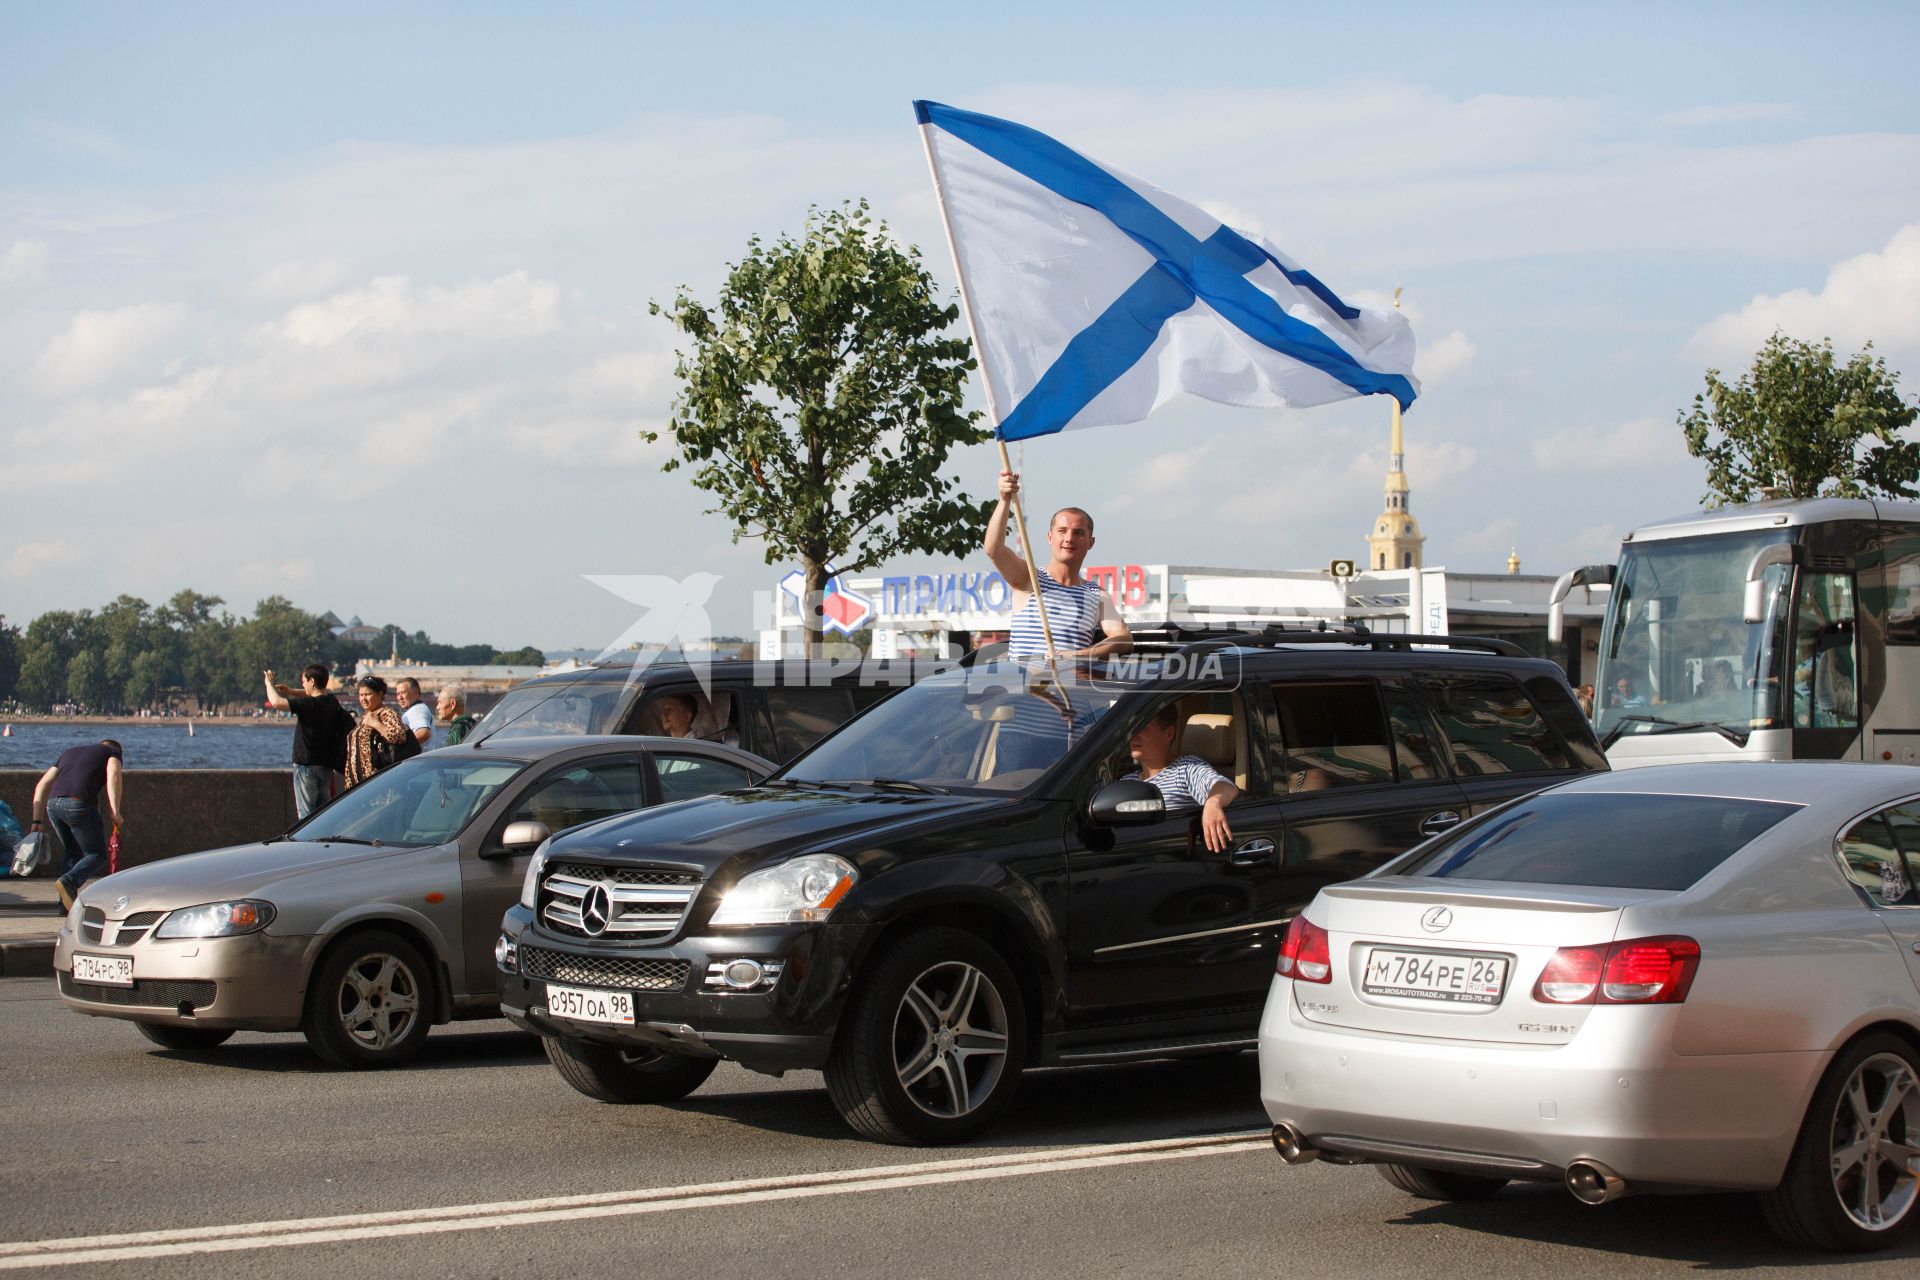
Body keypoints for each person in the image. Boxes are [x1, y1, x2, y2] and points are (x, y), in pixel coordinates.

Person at [984, 471, 1131, 663]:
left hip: (1069, 690)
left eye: (1078, 533)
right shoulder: (1029, 578)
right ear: (1050, 537)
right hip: (1022, 688)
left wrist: (1077, 656)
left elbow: (1124, 639)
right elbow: (994, 549)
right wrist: (1004, 500)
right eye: (1062, 531)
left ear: (1090, 542)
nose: (1069, 539)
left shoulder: (1097, 595)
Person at [1124, 705, 1237, 853]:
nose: (1134, 735)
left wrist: (1213, 802)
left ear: (1168, 734)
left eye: (1143, 728)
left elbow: (1225, 786)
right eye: (1133, 728)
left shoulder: (1185, 768)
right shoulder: (1126, 782)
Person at [31, 738, 125, 911]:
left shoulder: (69, 753)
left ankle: (64, 905)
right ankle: (69, 880)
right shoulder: (112, 752)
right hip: (79, 804)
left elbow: (42, 785)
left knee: (72, 852)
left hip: (53, 805)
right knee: (97, 854)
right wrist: (115, 811)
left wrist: (36, 820)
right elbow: (114, 777)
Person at [263, 664, 353, 818]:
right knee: (322, 815)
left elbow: (277, 702)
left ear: (311, 681)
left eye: (304, 681)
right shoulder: (331, 700)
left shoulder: (309, 704)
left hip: (306, 766)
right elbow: (316, 693)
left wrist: (269, 684)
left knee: (306, 816)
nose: (302, 685)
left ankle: (307, 842)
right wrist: (291, 691)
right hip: (325, 766)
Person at [344, 676, 413, 788]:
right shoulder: (365, 716)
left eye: (367, 694)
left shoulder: (387, 714)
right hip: (357, 784)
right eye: (361, 695)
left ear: (380, 694)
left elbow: (399, 736)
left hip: (376, 783)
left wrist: (376, 724)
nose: (363, 699)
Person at [395, 677, 434, 749]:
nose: (400, 697)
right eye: (398, 694)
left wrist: (399, 748)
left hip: (420, 760)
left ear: (416, 693)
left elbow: (424, 733)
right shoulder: (417, 709)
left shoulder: (417, 710)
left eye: (403, 693)